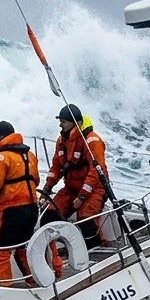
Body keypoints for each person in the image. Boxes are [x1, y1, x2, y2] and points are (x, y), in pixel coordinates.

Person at [0, 121, 58, 284]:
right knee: (22, 248)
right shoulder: (30, 155)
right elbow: (35, 180)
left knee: (0, 253)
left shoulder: (1, 158)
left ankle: (5, 291)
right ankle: (35, 282)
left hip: (9, 212)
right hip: (31, 209)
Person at [41, 104, 109, 247]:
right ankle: (59, 252)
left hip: (95, 189)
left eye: (64, 121)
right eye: (60, 121)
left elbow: (96, 171)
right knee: (49, 216)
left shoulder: (92, 141)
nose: (60, 124)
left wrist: (82, 196)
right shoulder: (62, 141)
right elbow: (56, 166)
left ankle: (97, 249)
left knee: (86, 219)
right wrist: (47, 188)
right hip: (71, 189)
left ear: (76, 123)